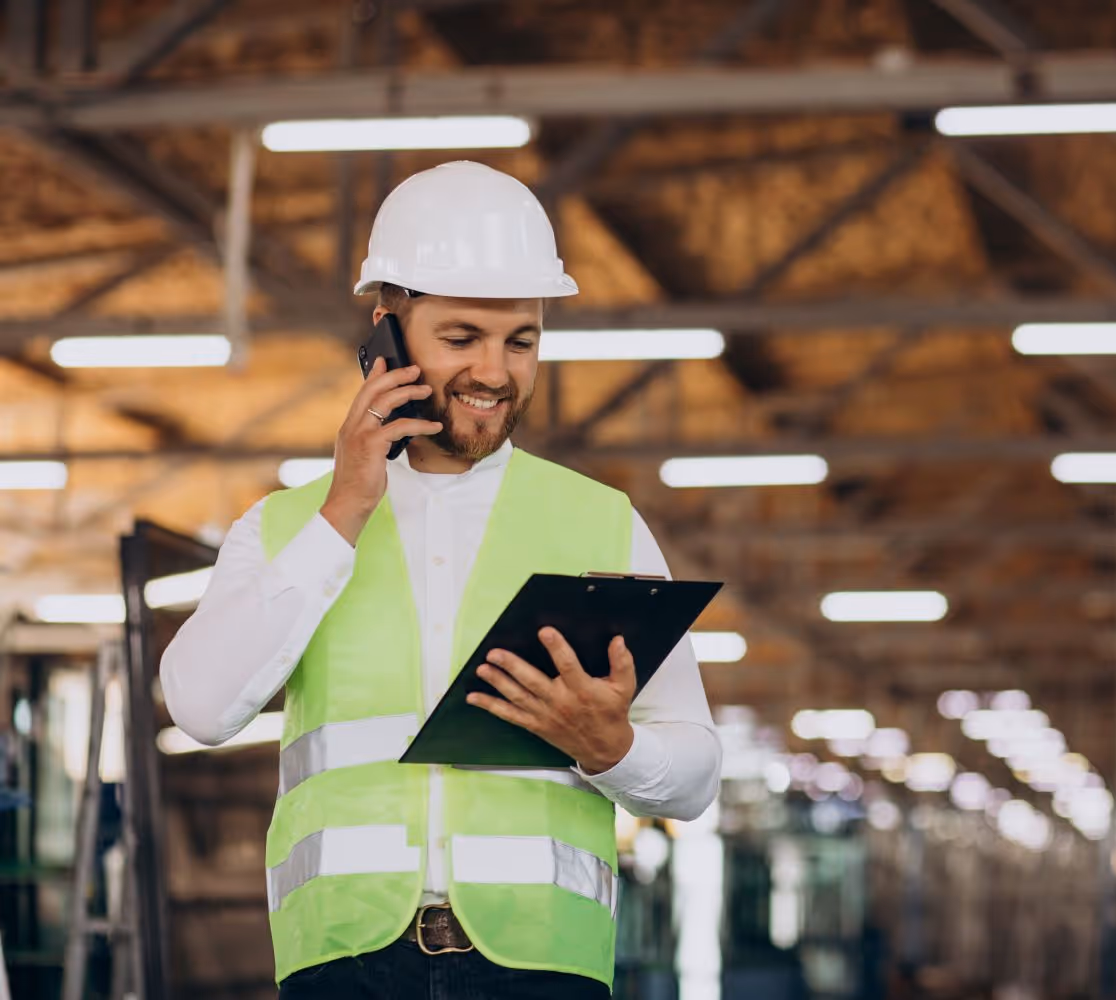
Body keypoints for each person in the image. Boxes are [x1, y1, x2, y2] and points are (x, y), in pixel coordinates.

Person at [160, 161, 722, 999]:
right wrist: (343, 511)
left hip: (541, 968)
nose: (495, 372)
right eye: (461, 338)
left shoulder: (605, 526)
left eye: (521, 341)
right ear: (387, 331)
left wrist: (618, 751)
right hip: (343, 964)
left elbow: (698, 774)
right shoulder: (285, 529)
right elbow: (199, 709)